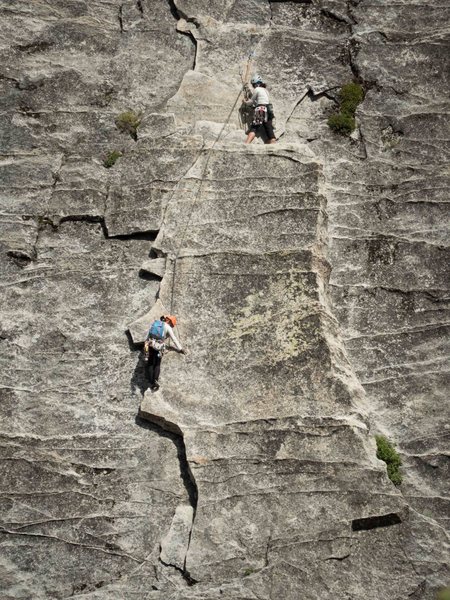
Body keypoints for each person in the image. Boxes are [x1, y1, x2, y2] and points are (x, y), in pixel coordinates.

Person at [144, 315, 185, 391]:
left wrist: (146, 344)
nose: (172, 326)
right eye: (172, 325)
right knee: (157, 364)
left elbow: (148, 334)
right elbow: (174, 339)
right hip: (158, 347)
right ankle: (155, 381)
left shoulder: (156, 323)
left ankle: (150, 381)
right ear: (169, 322)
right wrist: (180, 349)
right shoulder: (168, 327)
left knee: (150, 363)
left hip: (150, 344)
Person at [244, 75, 276, 145]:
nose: (253, 87)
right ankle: (272, 141)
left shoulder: (257, 89)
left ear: (255, 84)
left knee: (254, 127)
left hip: (261, 109)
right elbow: (262, 100)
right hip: (268, 109)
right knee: (268, 126)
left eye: (253, 85)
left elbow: (251, 102)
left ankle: (246, 143)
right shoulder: (265, 90)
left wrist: (245, 102)